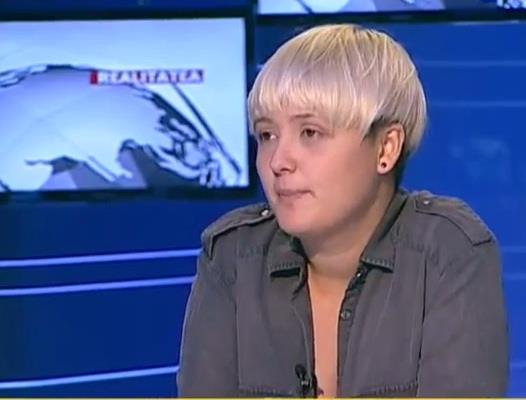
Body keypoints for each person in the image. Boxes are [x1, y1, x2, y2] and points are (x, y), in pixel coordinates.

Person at [177, 24, 508, 397]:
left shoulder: (448, 253)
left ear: (385, 148)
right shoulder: (233, 257)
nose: (278, 161)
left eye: (310, 133)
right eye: (267, 135)